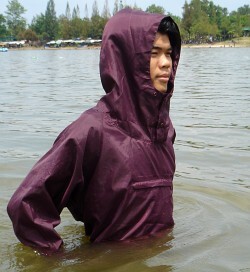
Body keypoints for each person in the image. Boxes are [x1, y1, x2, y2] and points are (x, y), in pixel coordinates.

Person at [7, 8, 181, 253]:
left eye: (169, 54)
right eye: (154, 54)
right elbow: (25, 205)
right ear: (128, 59)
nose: (166, 63)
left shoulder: (164, 131)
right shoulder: (92, 131)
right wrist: (59, 260)